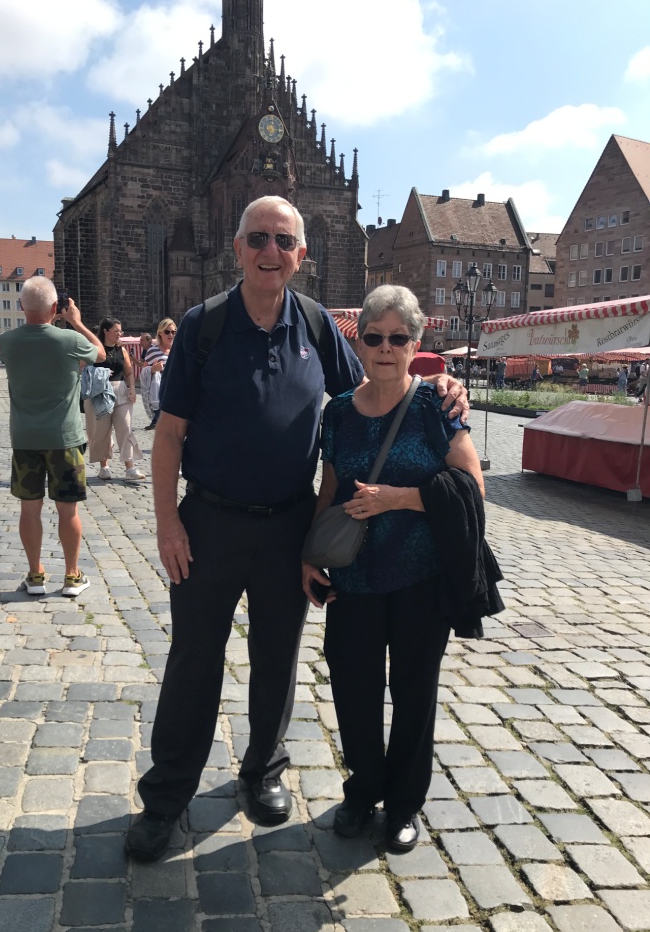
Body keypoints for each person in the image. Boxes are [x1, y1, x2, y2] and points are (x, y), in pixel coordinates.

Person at [126, 195, 468, 863]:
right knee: (194, 659)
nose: (270, 251)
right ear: (237, 248)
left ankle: (263, 770)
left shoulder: (315, 325)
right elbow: (168, 434)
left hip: (287, 524)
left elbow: (373, 393)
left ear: (301, 255)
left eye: (284, 241)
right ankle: (166, 798)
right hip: (210, 521)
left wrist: (441, 385)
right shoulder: (204, 324)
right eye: (258, 238)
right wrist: (167, 522)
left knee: (278, 657)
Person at [302, 284, 491, 853]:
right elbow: (331, 486)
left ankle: (405, 803)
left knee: (414, 693)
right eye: (375, 336)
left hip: (419, 580)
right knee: (352, 689)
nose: (385, 347)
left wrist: (398, 499)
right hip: (354, 577)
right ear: (360, 342)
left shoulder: (436, 406)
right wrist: (310, 553)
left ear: (415, 344)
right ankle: (363, 791)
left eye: (398, 337)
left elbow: (473, 488)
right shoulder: (339, 411)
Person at [0, 276, 105, 597]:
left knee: (29, 510)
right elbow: (101, 354)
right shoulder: (69, 340)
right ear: (56, 307)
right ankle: (72, 575)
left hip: (25, 438)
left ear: (21, 306)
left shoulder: (6, 341)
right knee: (68, 511)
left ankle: (35, 576)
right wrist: (76, 322)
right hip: (65, 438)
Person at [84, 318, 145, 482]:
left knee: (125, 428)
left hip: (120, 390)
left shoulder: (121, 350)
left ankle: (130, 468)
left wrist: (132, 389)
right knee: (101, 431)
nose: (119, 334)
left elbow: (129, 372)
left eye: (120, 331)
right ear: (105, 331)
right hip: (99, 393)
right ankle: (104, 467)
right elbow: (83, 368)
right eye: (116, 331)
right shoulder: (94, 349)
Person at [140, 319, 176, 430]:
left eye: (173, 332)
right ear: (160, 333)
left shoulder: (178, 349)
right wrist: (153, 369)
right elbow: (144, 371)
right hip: (162, 390)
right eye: (167, 332)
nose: (171, 335)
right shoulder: (153, 350)